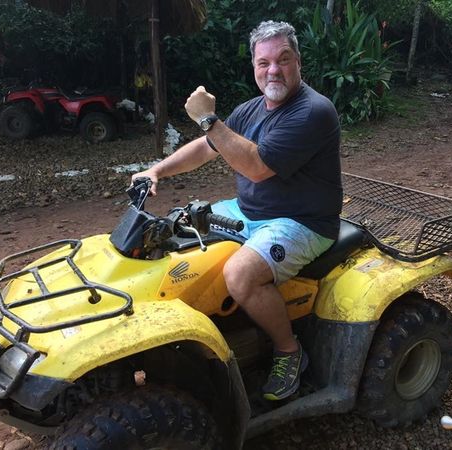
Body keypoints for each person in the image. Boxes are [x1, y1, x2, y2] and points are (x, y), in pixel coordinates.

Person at [132, 20, 342, 401]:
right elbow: (206, 147)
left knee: (240, 274)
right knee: (177, 227)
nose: (273, 70)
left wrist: (209, 120)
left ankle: (289, 351)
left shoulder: (313, 111)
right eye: (264, 63)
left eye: (283, 59)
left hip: (302, 222)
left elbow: (257, 167)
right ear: (254, 67)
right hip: (249, 211)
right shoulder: (250, 110)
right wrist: (156, 169)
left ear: (299, 62)